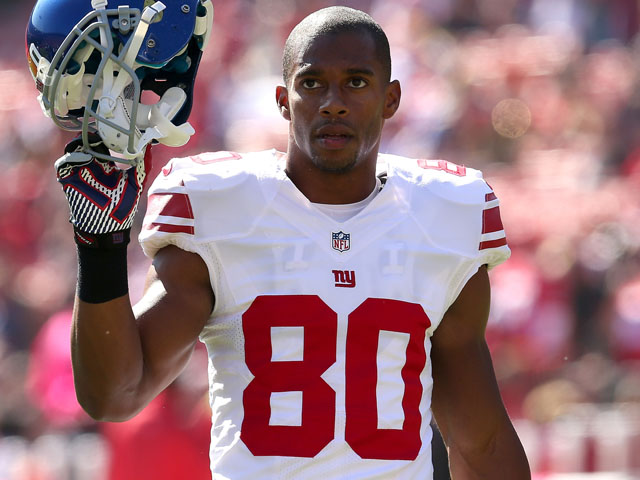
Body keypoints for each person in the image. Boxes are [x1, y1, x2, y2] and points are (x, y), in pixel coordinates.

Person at [29, 3, 531, 478]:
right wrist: (100, 246)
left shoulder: (443, 214)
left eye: (356, 82)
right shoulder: (221, 208)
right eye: (312, 83)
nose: (333, 103)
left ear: (391, 98)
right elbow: (114, 394)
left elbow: (481, 442)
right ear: (283, 101)